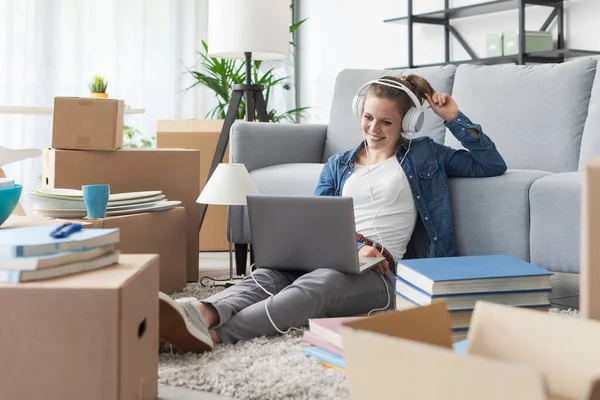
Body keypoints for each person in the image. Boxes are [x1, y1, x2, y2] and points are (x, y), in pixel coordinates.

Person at [158, 74, 508, 353]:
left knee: (319, 284)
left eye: (386, 122)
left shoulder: (427, 155)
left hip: (384, 273)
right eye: (368, 117)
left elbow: (490, 164)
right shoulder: (338, 165)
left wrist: (453, 118)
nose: (373, 129)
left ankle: (215, 336)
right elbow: (317, 221)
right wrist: (348, 247)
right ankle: (200, 313)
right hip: (337, 255)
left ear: (408, 123)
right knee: (268, 275)